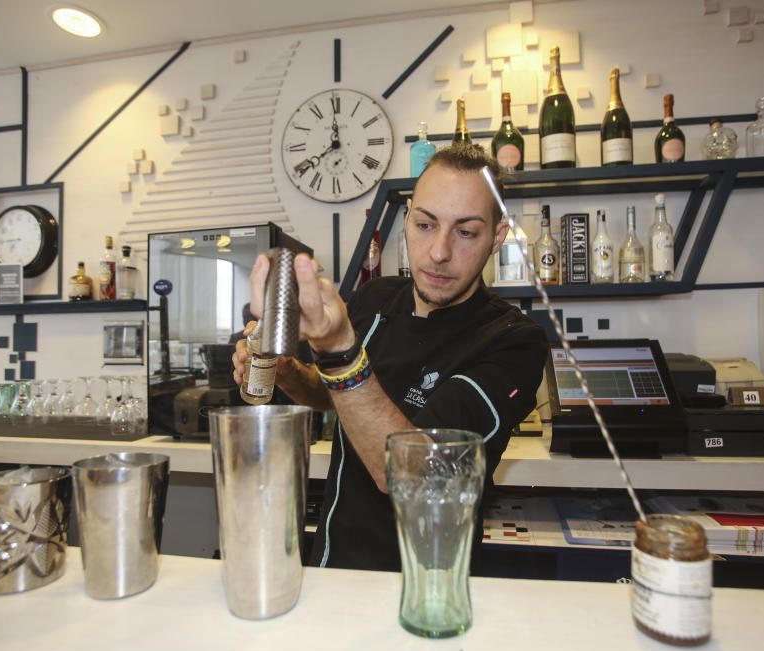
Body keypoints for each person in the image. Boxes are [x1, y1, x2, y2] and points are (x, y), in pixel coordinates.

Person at [233, 144, 548, 571]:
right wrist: (288, 374)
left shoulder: (513, 342)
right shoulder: (376, 298)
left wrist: (341, 353)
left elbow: (411, 474)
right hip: (332, 567)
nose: (438, 251)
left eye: (467, 232)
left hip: (426, 589)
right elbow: (335, 397)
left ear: (497, 236)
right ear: (407, 221)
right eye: (425, 224)